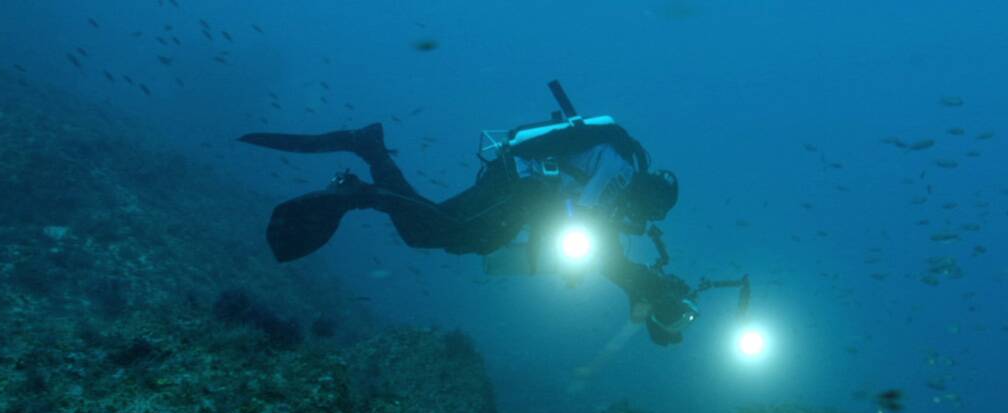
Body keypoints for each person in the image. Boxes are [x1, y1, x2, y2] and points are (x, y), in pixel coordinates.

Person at [241, 84, 698, 345]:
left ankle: (370, 151)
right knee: (450, 233)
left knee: (443, 231)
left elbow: (589, 223)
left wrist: (629, 276)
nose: (641, 219)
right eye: (648, 213)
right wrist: (629, 275)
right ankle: (363, 186)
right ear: (648, 198)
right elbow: (584, 215)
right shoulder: (620, 171)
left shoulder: (626, 169)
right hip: (519, 188)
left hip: (520, 190)